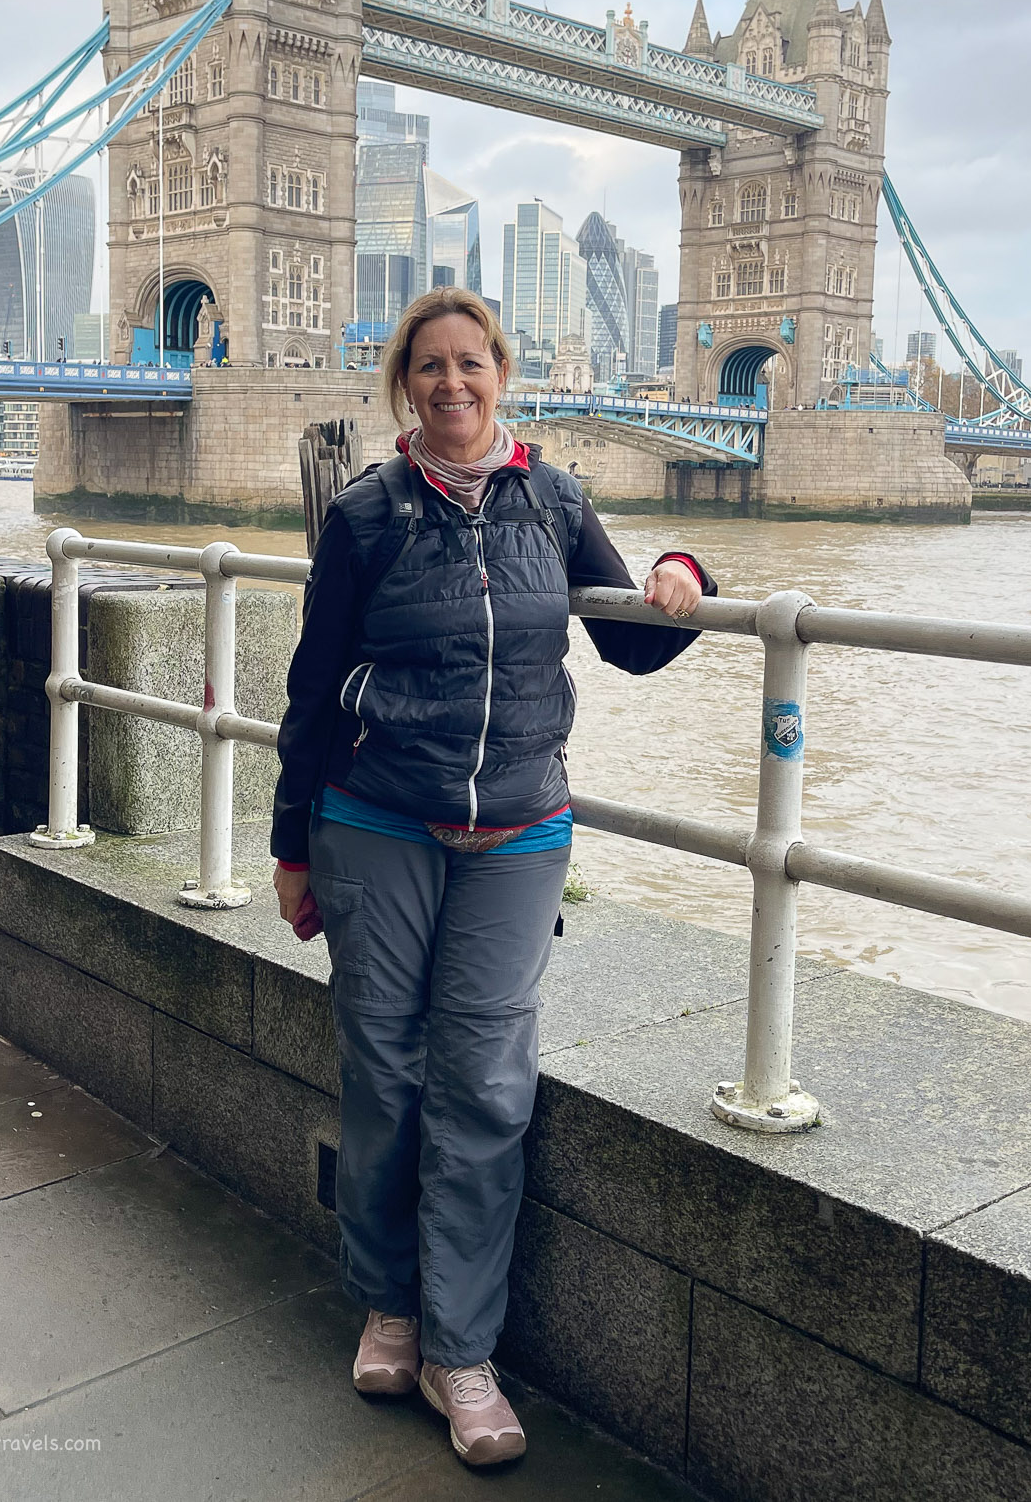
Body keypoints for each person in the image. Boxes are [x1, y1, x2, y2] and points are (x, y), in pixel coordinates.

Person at [271, 288, 714, 1468]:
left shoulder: (556, 499)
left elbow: (631, 639)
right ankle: (390, 1302)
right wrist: (289, 842)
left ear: (502, 374)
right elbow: (313, 690)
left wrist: (681, 571)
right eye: (429, 367)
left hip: (517, 830)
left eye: (471, 364)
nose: (451, 384)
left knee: (484, 1086)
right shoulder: (365, 515)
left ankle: (463, 1354)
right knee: (383, 1067)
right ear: (403, 384)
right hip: (376, 821)